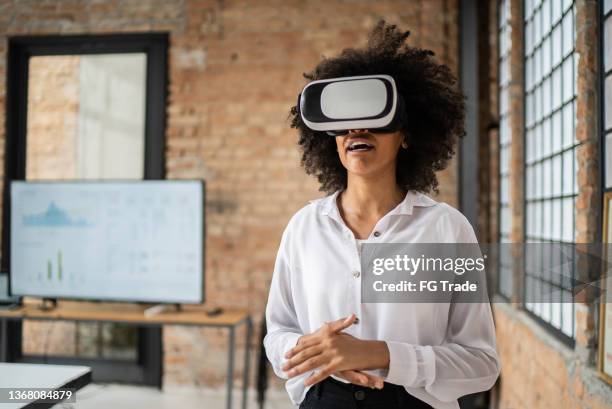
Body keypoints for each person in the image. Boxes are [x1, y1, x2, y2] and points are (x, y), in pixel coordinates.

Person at [263, 20, 500, 409]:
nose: (358, 128)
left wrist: (381, 354)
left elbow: (481, 364)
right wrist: (312, 348)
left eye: (376, 117)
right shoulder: (304, 228)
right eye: (344, 120)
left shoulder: (444, 229)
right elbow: (277, 333)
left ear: (407, 134)